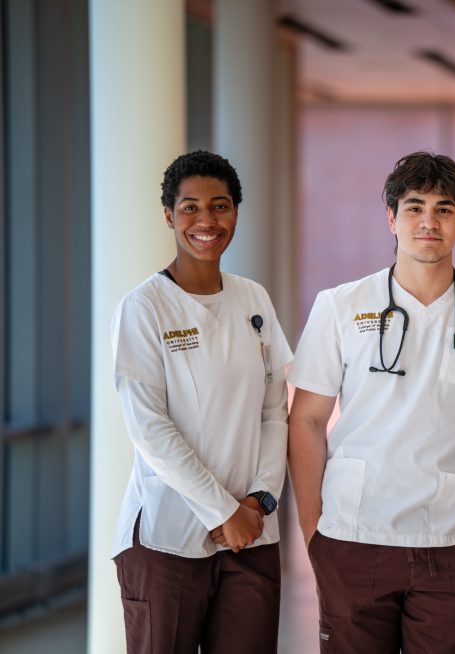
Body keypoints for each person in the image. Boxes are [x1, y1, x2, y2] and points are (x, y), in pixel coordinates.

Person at [287, 151, 455, 653]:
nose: (429, 222)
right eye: (415, 207)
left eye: (444, 209)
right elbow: (307, 419)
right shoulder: (340, 306)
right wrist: (315, 533)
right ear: (391, 219)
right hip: (353, 536)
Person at [110, 150, 292, 653]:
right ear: (169, 215)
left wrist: (260, 499)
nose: (207, 221)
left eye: (221, 206)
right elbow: (150, 428)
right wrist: (220, 511)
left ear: (236, 211)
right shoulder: (144, 307)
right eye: (190, 207)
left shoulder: (253, 299)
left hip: (253, 532)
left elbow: (274, 409)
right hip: (167, 538)